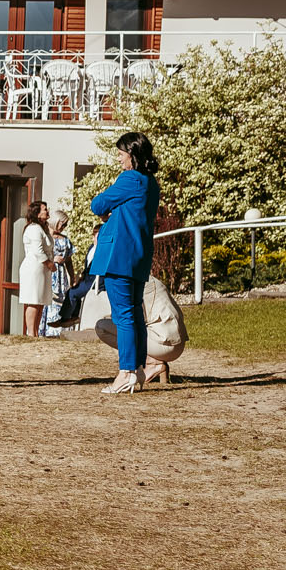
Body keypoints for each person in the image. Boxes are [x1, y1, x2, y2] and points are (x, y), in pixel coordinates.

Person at [89, 130, 163, 394]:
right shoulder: (151, 183)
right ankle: (138, 368)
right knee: (134, 314)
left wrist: (108, 211)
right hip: (138, 254)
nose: (119, 159)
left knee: (123, 315)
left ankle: (126, 372)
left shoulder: (130, 178)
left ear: (132, 154)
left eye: (121, 154)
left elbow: (97, 204)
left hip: (118, 256)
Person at [17, 199, 56, 337]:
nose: (47, 211)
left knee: (40, 301)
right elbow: (38, 250)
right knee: (33, 300)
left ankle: (36, 332)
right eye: (45, 209)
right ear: (37, 213)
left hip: (42, 270)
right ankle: (31, 333)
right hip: (34, 269)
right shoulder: (34, 228)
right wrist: (50, 264)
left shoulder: (42, 228)